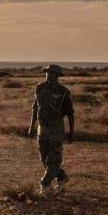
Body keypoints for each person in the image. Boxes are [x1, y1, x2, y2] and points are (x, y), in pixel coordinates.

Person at [28, 64, 75, 195]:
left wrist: (71, 132)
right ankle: (62, 177)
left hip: (56, 129)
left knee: (53, 159)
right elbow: (35, 108)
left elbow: (70, 114)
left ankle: (45, 185)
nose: (48, 75)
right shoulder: (39, 88)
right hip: (41, 128)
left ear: (57, 76)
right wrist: (31, 126)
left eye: (52, 73)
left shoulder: (64, 92)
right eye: (47, 72)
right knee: (44, 159)